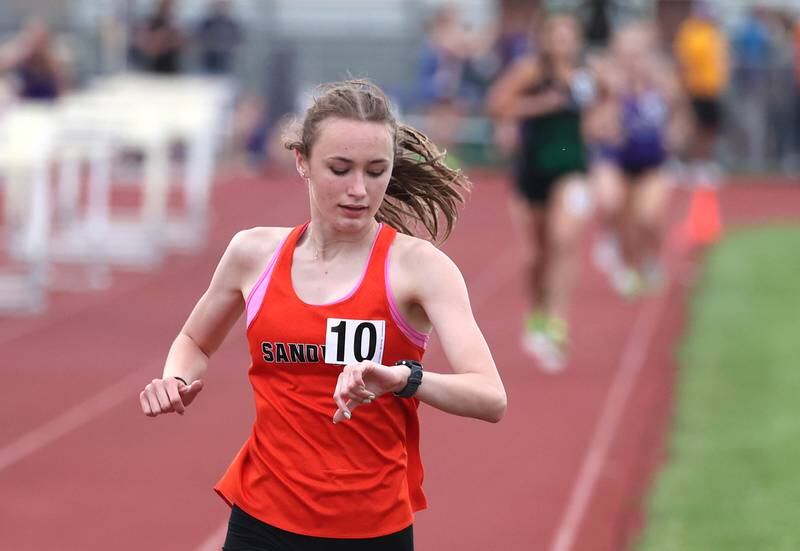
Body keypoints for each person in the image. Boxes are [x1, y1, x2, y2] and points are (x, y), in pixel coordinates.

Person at [139, 79, 507, 550]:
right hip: (261, 523)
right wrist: (175, 379)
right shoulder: (253, 253)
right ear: (302, 162)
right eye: (340, 169)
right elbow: (193, 342)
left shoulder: (419, 269)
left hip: (372, 530)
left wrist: (403, 378)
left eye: (377, 171)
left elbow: (490, 396)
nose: (358, 189)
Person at [486, 14, 593, 372]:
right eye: (556, 34)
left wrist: (604, 119)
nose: (563, 41)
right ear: (545, 39)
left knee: (565, 240)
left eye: (569, 34)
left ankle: (559, 322)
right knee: (536, 255)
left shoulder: (588, 73)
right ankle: (536, 312)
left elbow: (609, 100)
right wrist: (541, 105)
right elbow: (497, 105)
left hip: (572, 168)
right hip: (533, 170)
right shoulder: (532, 71)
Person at [586, 22, 690, 298]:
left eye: (639, 53)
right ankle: (623, 259)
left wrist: (675, 133)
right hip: (615, 158)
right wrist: (607, 126)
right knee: (612, 203)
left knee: (648, 217)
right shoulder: (608, 83)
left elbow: (680, 114)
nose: (633, 60)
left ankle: (650, 259)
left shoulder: (663, 82)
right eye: (627, 53)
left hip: (651, 161)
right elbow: (592, 123)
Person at [673, 1, 729, 185]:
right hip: (693, 88)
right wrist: (683, 86)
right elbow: (683, 60)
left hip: (711, 88)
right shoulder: (689, 31)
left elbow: (721, 60)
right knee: (692, 127)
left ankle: (703, 163)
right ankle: (687, 163)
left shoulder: (714, 32)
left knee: (709, 127)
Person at [0, 18, 69, 101]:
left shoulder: (52, 63)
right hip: (22, 107)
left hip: (47, 106)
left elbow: (63, 90)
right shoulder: (18, 59)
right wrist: (18, 55)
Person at [133, 0, 185, 74]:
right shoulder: (153, 22)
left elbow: (180, 43)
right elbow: (148, 44)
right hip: (155, 66)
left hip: (171, 66)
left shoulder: (173, 23)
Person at [196, 0, 243, 75]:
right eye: (219, 5)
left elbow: (238, 39)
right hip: (209, 60)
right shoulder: (207, 23)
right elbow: (200, 39)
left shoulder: (231, 24)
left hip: (226, 61)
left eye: (223, 6)